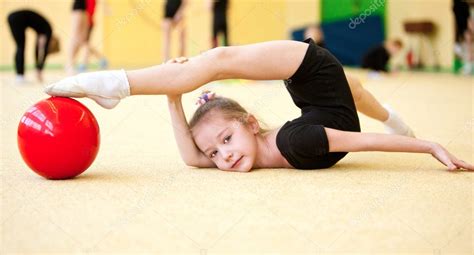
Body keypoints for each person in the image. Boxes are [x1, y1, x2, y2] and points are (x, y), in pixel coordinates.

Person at [44, 39, 474, 172]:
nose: (222, 156)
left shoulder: (294, 141)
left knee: (220, 59)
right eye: (217, 150)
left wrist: (431, 147)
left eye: (225, 142)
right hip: (319, 91)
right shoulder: (273, 144)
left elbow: (365, 142)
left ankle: (116, 85)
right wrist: (173, 95)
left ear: (251, 123)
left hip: (310, 71)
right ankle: (396, 117)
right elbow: (196, 156)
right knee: (354, 90)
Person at [7, 9, 59, 83]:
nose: (42, 46)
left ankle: (19, 76)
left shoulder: (42, 31)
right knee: (20, 46)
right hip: (17, 18)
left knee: (20, 46)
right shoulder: (48, 30)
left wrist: (37, 67)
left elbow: (37, 50)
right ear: (51, 42)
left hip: (12, 17)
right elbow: (43, 52)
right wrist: (39, 69)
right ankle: (20, 76)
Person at [78, 0, 108, 72]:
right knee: (85, 43)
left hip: (88, 23)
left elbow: (88, 12)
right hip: (87, 22)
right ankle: (102, 59)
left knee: (85, 43)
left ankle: (84, 64)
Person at [453, 0, 474, 75]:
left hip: (466, 28)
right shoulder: (457, 5)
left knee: (469, 48)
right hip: (463, 28)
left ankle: (469, 67)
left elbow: (468, 18)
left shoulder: (464, 6)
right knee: (467, 48)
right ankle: (468, 67)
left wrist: (470, 29)